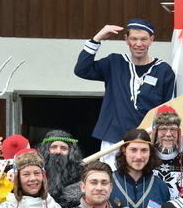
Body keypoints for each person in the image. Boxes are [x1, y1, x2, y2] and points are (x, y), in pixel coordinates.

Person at [75, 19, 176, 163]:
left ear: (151, 40)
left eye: (143, 39)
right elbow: (81, 70)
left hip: (145, 141)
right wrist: (97, 39)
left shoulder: (163, 70)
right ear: (126, 39)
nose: (138, 44)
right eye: (134, 39)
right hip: (113, 140)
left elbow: (167, 110)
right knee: (111, 182)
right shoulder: (115, 62)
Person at [152, 105, 183, 199]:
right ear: (155, 132)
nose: (168, 134)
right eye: (163, 129)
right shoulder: (147, 159)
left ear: (179, 133)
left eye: (173, 129)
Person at [36, 130, 85, 208]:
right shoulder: (36, 173)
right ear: (46, 150)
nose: (58, 152)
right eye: (53, 147)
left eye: (63, 148)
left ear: (71, 152)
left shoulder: (81, 175)